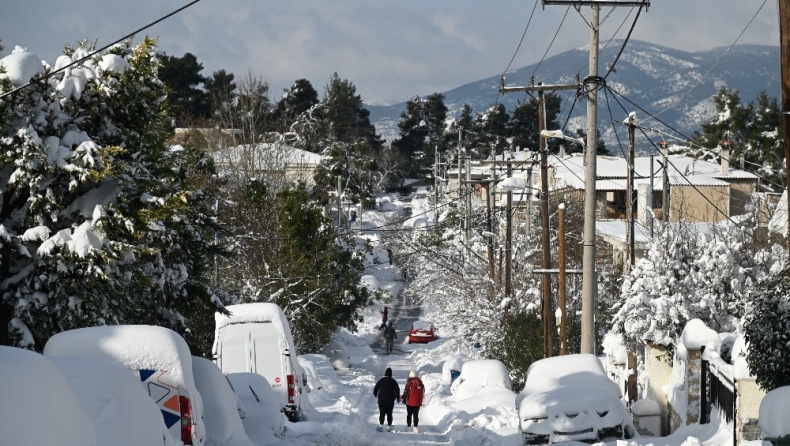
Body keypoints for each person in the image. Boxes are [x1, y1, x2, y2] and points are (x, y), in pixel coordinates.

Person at [373, 367, 400, 432]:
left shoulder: (381, 380)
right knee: (389, 413)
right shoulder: (393, 381)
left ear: (385, 374)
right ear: (391, 374)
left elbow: (376, 387)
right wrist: (397, 397)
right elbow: (397, 390)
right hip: (390, 399)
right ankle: (389, 426)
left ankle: (381, 425)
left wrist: (375, 393)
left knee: (382, 412)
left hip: (381, 399)